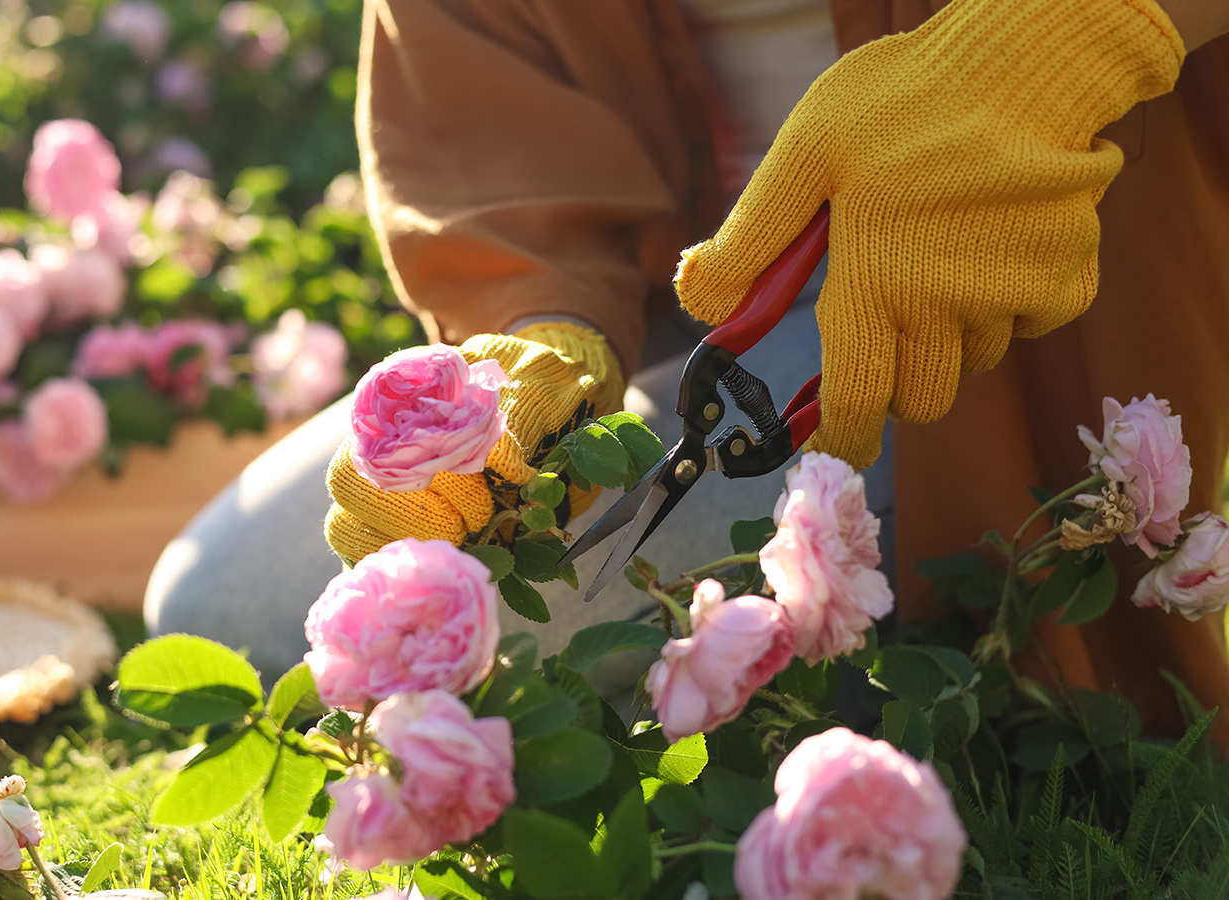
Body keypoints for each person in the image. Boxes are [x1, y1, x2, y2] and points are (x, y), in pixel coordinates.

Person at [148, 0, 1229, 742]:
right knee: (219, 607)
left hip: (991, 282)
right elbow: (477, 87)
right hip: (692, 288)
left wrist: (1058, 41)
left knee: (490, 634)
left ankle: (890, 645)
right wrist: (540, 331)